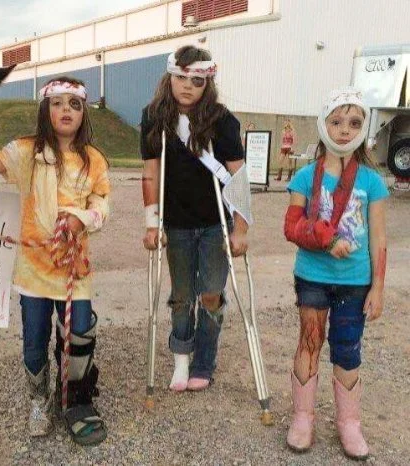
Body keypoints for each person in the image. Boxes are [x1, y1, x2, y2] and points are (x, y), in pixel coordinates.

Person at [0, 76, 110, 446]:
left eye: (74, 105)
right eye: (58, 103)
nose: (66, 110)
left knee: (79, 331)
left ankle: (75, 397)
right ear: (46, 110)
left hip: (74, 271)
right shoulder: (25, 151)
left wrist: (83, 219)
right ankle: (39, 398)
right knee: (34, 339)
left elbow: (102, 203)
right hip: (32, 272)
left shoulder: (93, 159)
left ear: (83, 114)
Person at [140, 45, 253, 392]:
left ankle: (205, 361)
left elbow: (238, 176)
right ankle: (181, 359)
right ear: (169, 77)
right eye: (180, 77)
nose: (187, 86)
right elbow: (150, 174)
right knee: (181, 294)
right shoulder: (154, 116)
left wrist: (242, 229)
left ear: (208, 82)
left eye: (197, 80)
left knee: (210, 294)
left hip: (215, 222)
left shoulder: (222, 120)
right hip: (176, 222)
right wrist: (151, 222)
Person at [284, 87, 388, 460]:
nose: (345, 129)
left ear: (364, 129)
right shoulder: (304, 176)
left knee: (347, 349)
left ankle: (349, 423)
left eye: (355, 122)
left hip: (355, 282)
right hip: (312, 275)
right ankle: (303, 416)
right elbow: (292, 226)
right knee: (310, 342)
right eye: (337, 121)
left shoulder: (372, 182)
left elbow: (378, 237)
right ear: (323, 124)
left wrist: (378, 286)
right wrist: (327, 243)